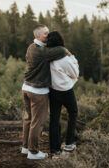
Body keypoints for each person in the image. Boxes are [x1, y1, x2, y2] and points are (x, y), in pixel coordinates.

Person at [21, 24, 69, 160]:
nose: (48, 36)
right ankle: (33, 152)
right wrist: (66, 50)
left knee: (28, 119)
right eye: (45, 34)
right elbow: (60, 50)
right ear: (37, 36)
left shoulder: (31, 47)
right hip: (37, 91)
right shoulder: (41, 52)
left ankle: (25, 147)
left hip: (26, 88)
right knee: (38, 122)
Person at [47, 31, 79, 159]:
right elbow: (75, 73)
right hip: (65, 90)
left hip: (52, 90)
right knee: (73, 112)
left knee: (54, 118)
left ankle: (54, 150)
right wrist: (72, 56)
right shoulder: (65, 58)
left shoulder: (47, 57)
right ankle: (69, 144)